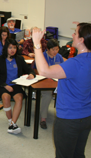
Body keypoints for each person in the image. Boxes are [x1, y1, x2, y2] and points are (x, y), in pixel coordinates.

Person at [32, 23, 91, 158]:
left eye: (75, 33)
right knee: (78, 154)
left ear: (82, 40)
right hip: (87, 117)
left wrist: (36, 43)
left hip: (69, 120)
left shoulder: (75, 63)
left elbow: (43, 70)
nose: (72, 35)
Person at [0, 38, 35, 134]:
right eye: (10, 48)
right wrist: (5, 86)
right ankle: (10, 122)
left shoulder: (19, 59)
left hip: (16, 84)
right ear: (6, 48)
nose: (13, 50)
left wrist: (32, 74)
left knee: (19, 98)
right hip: (2, 85)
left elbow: (29, 69)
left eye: (14, 48)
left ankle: (13, 124)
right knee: (6, 96)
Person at [33, 39, 64, 129]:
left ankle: (63, 117)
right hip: (44, 82)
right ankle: (43, 119)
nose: (55, 52)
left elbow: (63, 70)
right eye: (53, 49)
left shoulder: (59, 57)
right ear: (48, 49)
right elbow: (37, 71)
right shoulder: (42, 57)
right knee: (47, 95)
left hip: (57, 82)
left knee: (66, 93)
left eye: (57, 49)